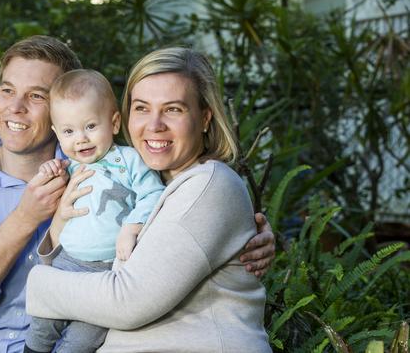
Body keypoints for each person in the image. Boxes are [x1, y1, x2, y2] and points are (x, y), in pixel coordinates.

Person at [0, 35, 275, 353]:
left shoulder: (112, 163)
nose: (16, 107)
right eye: (7, 90)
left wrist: (247, 233)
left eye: (37, 96)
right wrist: (26, 217)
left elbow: (185, 202)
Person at [26, 48, 272, 352]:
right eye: (142, 108)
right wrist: (62, 219)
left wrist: (37, 283)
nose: (154, 125)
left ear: (205, 117)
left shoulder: (208, 185)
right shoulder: (145, 183)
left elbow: (127, 302)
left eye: (173, 109)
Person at [23, 69, 165, 353]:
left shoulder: (129, 161)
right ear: (56, 134)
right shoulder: (68, 166)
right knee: (42, 325)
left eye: (90, 126)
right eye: (68, 131)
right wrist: (49, 171)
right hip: (67, 263)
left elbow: (154, 194)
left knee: (83, 340)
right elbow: (49, 200)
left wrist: (132, 226)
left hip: (108, 271)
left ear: (113, 123)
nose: (81, 139)